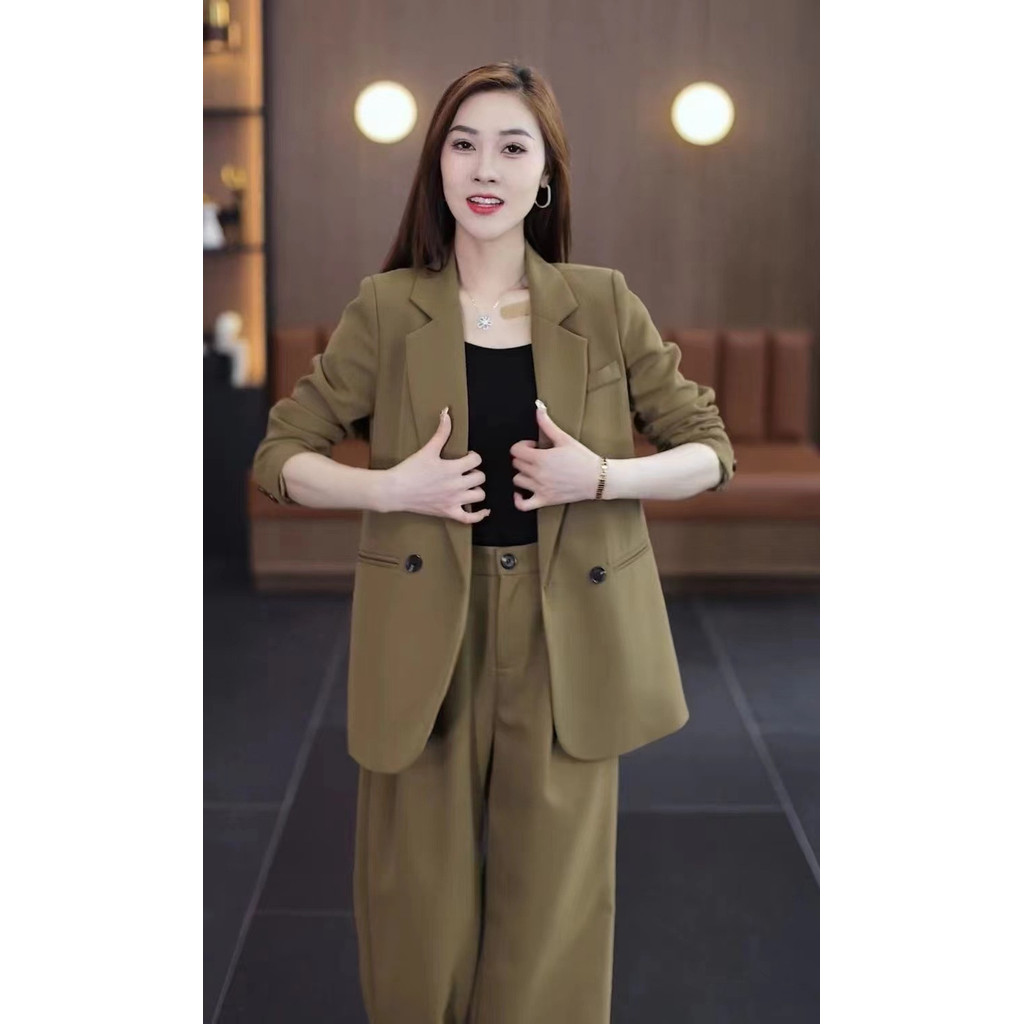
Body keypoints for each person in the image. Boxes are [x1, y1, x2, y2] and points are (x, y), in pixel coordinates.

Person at [252, 61, 735, 1024]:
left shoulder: (602, 302)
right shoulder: (387, 308)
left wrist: (600, 477)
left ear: (544, 175)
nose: (485, 167)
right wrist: (391, 488)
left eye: (513, 147)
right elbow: (280, 456)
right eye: (464, 144)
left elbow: (708, 450)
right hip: (428, 627)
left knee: (554, 904)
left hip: (566, 633)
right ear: (437, 166)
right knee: (415, 905)